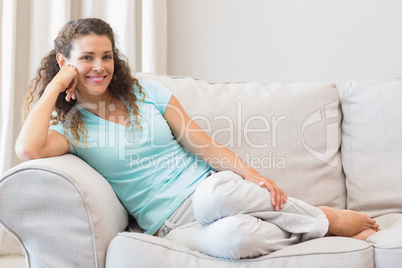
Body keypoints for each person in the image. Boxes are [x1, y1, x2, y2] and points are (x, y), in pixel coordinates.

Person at [16, 18, 379, 259]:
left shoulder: (145, 93)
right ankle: (315, 226)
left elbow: (203, 144)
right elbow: (28, 148)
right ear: (65, 62)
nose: (100, 67)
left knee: (216, 193)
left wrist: (254, 177)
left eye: (106, 56)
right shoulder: (72, 129)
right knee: (237, 240)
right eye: (87, 58)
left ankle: (325, 220)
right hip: (170, 225)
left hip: (208, 192)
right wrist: (57, 86)